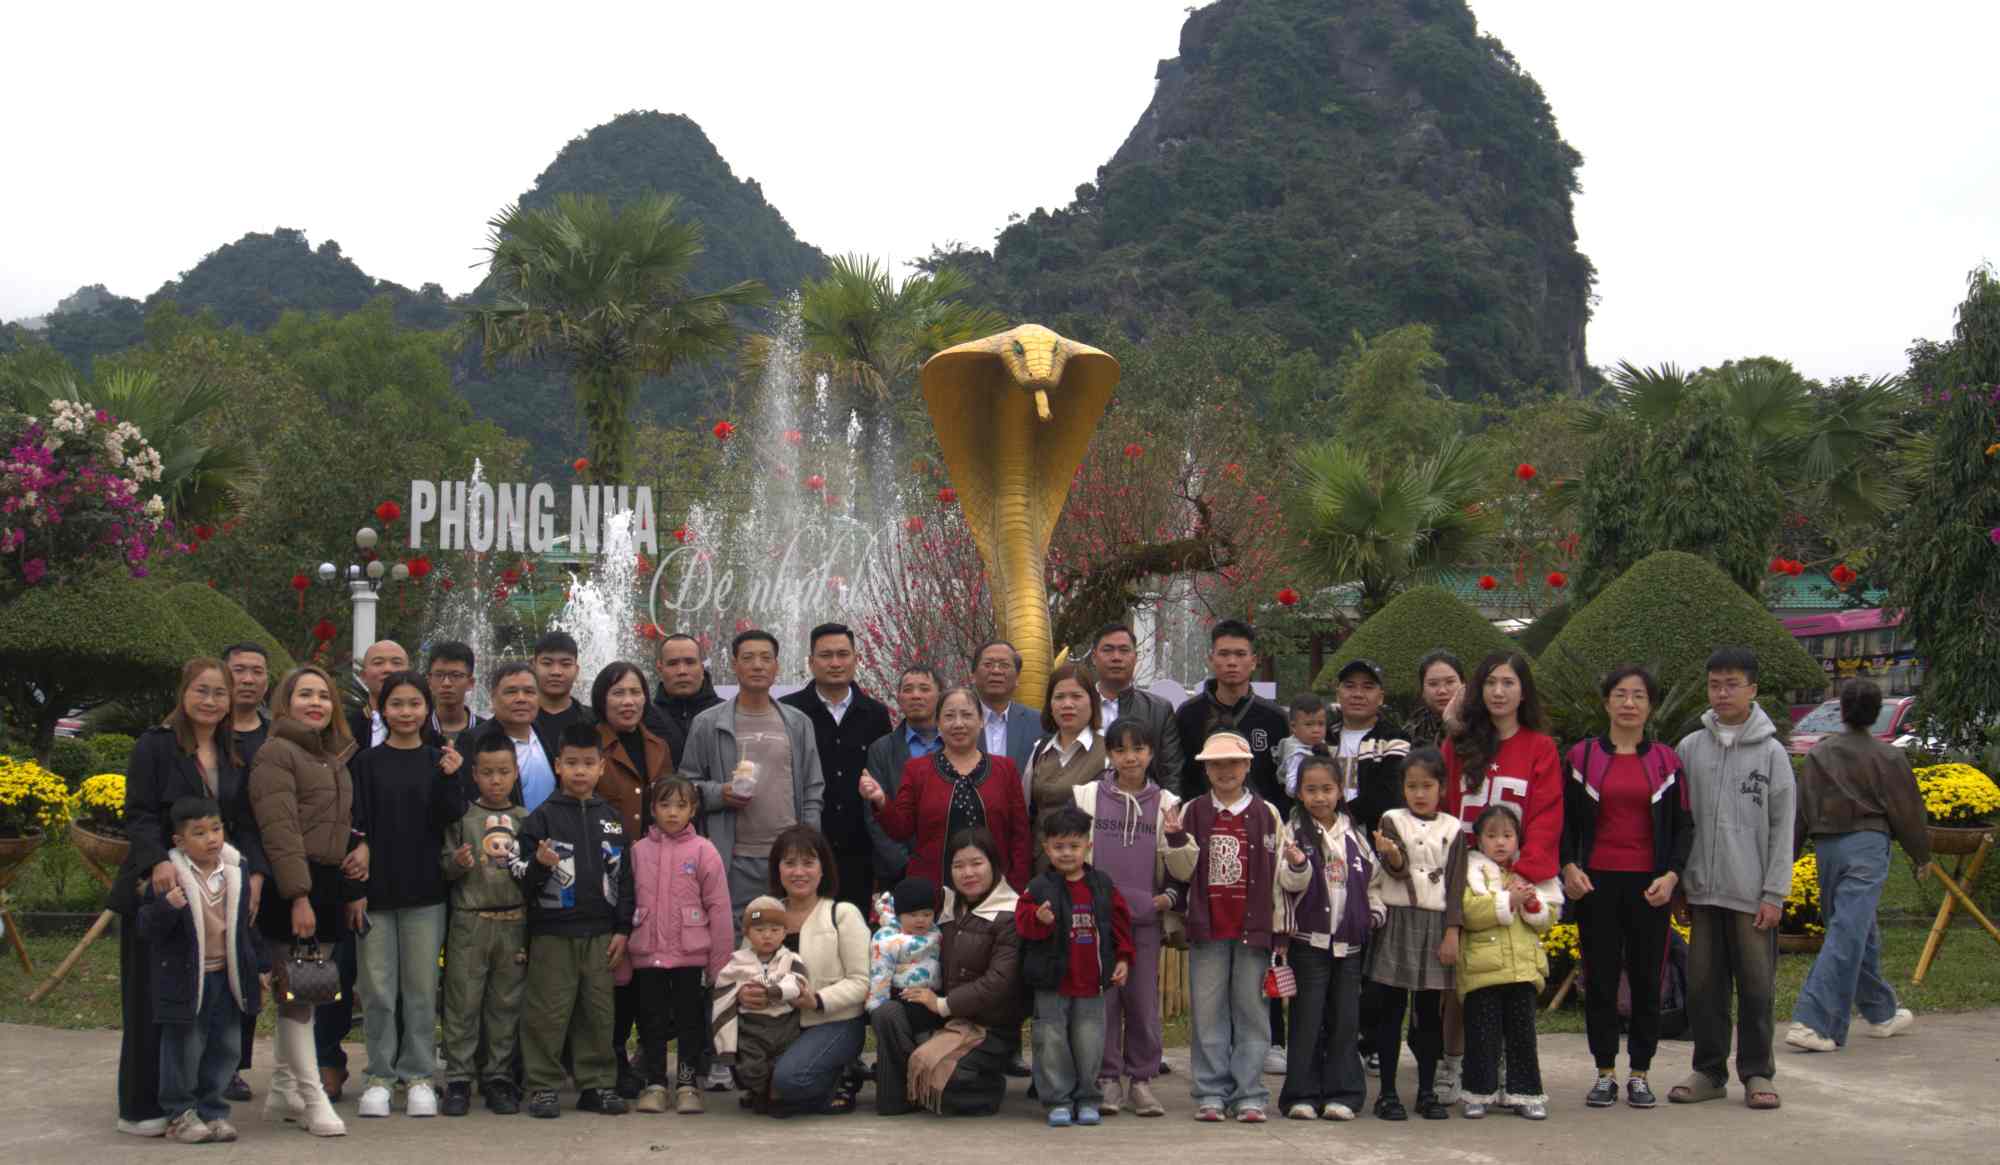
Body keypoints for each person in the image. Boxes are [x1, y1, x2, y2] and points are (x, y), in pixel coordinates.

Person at [1667, 647, 1795, 1111]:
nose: (1722, 693)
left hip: (1752, 894)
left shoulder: (1772, 754)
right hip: (1702, 892)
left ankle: (1758, 1072)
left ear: (1752, 689)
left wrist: (1774, 892)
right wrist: (1680, 882)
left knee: (1757, 987)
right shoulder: (1689, 749)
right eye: (1715, 684)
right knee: (1704, 986)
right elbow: (1680, 823)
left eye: (1732, 684)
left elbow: (1784, 830)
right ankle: (1708, 1071)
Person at [1560, 665, 1693, 1109]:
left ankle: (1640, 1072)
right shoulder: (1581, 758)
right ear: (1606, 702)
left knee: (1645, 979)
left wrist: (1672, 876)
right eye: (1620, 694)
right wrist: (1569, 866)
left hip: (1649, 886)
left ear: (1650, 705)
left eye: (1638, 695)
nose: (1629, 703)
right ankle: (1603, 1073)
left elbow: (1682, 827)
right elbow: (1564, 822)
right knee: (1598, 979)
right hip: (1596, 884)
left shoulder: (1666, 762)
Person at [1163, 731, 1310, 1123]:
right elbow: (1180, 871)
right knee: (1208, 1013)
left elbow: (1287, 878)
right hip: (1207, 929)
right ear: (1205, 769)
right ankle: (1211, 1092)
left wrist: (1298, 866)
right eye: (1215, 764)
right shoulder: (1192, 811)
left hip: (1255, 930)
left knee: (1252, 1013)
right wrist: (1175, 838)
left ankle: (1250, 1093)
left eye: (1232, 762)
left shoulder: (1268, 814)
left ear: (1247, 766)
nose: (1225, 770)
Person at [1786, 677, 1930, 1054]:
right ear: (1874, 712)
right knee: (1848, 931)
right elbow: (1908, 812)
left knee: (1854, 929)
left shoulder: (1819, 753)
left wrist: (1786, 854)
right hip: (1867, 845)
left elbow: (1801, 809)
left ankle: (1881, 1011)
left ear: (1843, 711)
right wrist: (1921, 855)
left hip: (1827, 847)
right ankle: (1811, 1020)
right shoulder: (1889, 757)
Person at [247, 664, 361, 1138]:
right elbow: (280, 831)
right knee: (301, 999)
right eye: (305, 695)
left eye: (324, 696)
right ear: (285, 703)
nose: (316, 703)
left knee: (302, 995)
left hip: (327, 881)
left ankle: (281, 1091)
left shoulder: (329, 756)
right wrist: (298, 896)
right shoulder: (277, 753)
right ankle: (313, 1100)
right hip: (296, 883)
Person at [349, 671, 461, 1119]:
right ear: (382, 709)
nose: (406, 712)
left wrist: (454, 777)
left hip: (425, 892)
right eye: (397, 704)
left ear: (427, 710)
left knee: (419, 989)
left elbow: (452, 816)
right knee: (377, 989)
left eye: (415, 704)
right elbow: (354, 827)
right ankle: (379, 1075)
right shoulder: (364, 763)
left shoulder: (440, 761)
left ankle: (417, 1075)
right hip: (375, 893)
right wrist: (354, 889)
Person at [1069, 717, 1190, 1118]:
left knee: (1141, 1001)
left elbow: (1182, 866)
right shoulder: (1087, 796)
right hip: (1097, 919)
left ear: (1151, 753)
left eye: (1138, 749)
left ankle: (1141, 1080)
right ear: (1109, 754)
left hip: (1143, 921)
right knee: (1104, 1001)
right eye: (1120, 749)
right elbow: (1070, 850)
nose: (1129, 757)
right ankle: (1108, 1079)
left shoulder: (1167, 802)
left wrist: (1164, 900)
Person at [517, 721, 636, 1119]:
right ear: (557, 766)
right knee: (547, 1012)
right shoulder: (541, 819)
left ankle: (597, 1083)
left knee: (598, 1012)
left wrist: (623, 929)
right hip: (553, 933)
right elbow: (520, 880)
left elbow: (627, 880)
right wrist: (538, 864)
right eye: (572, 763)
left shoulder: (613, 820)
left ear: (602, 767)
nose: (580, 771)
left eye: (588, 763)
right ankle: (543, 1085)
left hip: (601, 934)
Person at [871, 827, 1024, 1116]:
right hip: (944, 1021)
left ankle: (973, 1088)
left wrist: (943, 1004)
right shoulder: (947, 907)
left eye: (976, 863)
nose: (968, 873)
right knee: (886, 1014)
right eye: (958, 865)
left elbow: (999, 982)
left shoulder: (1009, 914)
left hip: (988, 1029)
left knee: (949, 1079)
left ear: (993, 864)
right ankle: (905, 1092)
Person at [137, 796, 263, 1144]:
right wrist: (167, 907)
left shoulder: (235, 871)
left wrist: (262, 964)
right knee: (185, 1047)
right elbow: (145, 927)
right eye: (200, 833)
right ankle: (180, 1113)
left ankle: (213, 1110)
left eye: (217, 829)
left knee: (226, 1046)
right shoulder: (170, 878)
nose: (212, 838)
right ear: (179, 842)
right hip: (186, 980)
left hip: (228, 975)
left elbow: (246, 928)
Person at [679, 628, 826, 918]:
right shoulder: (708, 723)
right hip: (733, 858)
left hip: (787, 858)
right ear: (734, 665)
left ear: (776, 666)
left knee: (790, 942)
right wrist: (719, 794)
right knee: (735, 946)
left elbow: (813, 788)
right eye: (748, 658)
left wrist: (808, 844)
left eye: (765, 658)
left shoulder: (797, 723)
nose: (757, 665)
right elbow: (685, 786)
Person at [1017, 805, 1135, 1127]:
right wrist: (1038, 920)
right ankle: (1057, 1099)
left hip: (1092, 983)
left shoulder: (1102, 886)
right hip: (1052, 984)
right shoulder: (1038, 888)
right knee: (1051, 1041)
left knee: (1089, 1043)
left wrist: (1123, 958)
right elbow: (1023, 925)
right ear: (1046, 848)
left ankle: (1087, 1098)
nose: (1066, 853)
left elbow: (1120, 926)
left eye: (1074, 845)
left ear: (1088, 845)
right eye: (1058, 846)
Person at [1277, 756, 1375, 1123]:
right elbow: (1287, 883)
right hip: (1309, 944)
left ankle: (1344, 1094)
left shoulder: (1355, 835)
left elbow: (1374, 883)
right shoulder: (1292, 832)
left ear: (1340, 791)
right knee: (1306, 1020)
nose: (1320, 797)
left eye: (1327, 789)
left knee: (1346, 1020)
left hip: (1349, 946)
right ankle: (1300, 1095)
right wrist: (1299, 865)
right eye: (1311, 789)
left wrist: (1372, 913)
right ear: (1299, 793)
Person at [627, 775, 732, 1114]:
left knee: (690, 1021)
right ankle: (655, 1082)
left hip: (691, 954)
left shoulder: (704, 850)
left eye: (681, 805)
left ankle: (687, 1083)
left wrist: (719, 962)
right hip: (647, 953)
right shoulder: (638, 851)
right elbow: (626, 904)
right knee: (651, 1021)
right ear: (653, 808)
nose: (672, 813)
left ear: (693, 809)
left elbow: (719, 907)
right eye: (665, 804)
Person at [1364, 749, 1460, 1121]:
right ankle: (1387, 1093)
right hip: (1398, 920)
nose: (1420, 793)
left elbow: (1454, 884)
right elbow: (1396, 868)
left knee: (1428, 1015)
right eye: (1412, 786)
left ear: (1442, 787)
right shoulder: (1391, 820)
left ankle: (1426, 1092)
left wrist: (1453, 932)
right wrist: (1392, 856)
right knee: (1391, 1010)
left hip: (1435, 925)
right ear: (1402, 789)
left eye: (1428, 786)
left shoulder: (1452, 828)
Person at [860, 687, 1032, 891]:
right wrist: (881, 800)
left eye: (967, 715)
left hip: (996, 892)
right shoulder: (918, 770)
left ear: (981, 721)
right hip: (934, 889)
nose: (958, 724)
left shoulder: (1005, 769)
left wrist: (1016, 888)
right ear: (938, 724)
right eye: (949, 716)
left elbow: (1020, 836)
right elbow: (901, 829)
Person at [593, 660, 673, 1096]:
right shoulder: (592, 746)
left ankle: (648, 1055)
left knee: (650, 967)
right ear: (602, 699)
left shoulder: (658, 746)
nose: (628, 701)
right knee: (615, 968)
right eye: (618, 693)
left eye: (635, 692)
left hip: (655, 870)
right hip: (607, 872)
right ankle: (612, 1054)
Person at [438, 735, 529, 1117]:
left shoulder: (527, 820)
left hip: (514, 921)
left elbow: (535, 876)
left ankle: (498, 1077)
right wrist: (457, 864)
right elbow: (442, 867)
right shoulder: (462, 819)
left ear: (515, 773)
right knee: (462, 1001)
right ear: (474, 774)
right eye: (488, 772)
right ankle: (458, 1078)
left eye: (503, 772)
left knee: (505, 1004)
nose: (496, 780)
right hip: (469, 921)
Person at [758, 825, 872, 1116]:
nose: (799, 872)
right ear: (777, 869)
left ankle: (843, 1076)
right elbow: (749, 968)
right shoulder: (766, 914)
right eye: (789, 863)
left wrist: (817, 1000)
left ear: (823, 870)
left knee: (789, 1081)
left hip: (835, 1021)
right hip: (780, 1025)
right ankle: (788, 1091)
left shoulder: (842, 914)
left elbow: (861, 982)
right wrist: (750, 993)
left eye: (808, 863)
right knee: (749, 1078)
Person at [781, 623, 895, 913]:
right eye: (826, 655)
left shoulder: (876, 715)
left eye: (843, 654)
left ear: (856, 659)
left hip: (860, 850)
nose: (835, 663)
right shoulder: (788, 712)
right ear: (810, 662)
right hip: (804, 849)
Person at [1457, 804, 1561, 1120]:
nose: (1500, 843)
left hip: (1523, 969)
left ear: (1518, 839)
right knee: (1482, 1036)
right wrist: (1506, 901)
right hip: (1483, 971)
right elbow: (1469, 913)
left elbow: (1548, 918)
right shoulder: (1470, 870)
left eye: (1507, 835)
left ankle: (1526, 1093)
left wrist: (1530, 901)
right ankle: (1478, 1093)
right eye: (1492, 836)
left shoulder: (1529, 872)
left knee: (1522, 1035)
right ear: (1478, 840)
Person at [221, 643, 272, 1107]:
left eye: (258, 671)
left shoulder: (274, 738)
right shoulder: (206, 733)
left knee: (251, 965)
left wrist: (257, 871)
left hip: (262, 868)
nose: (249, 679)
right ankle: (208, 1060)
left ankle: (234, 1064)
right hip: (208, 864)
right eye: (240, 670)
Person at [1174, 620, 1289, 812]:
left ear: (1253, 661)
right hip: (1200, 824)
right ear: (1211, 659)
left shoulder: (1274, 718)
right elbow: (1178, 774)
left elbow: (1283, 780)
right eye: (1224, 654)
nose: (1232, 662)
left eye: (1240, 654)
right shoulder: (1188, 714)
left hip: (1260, 826)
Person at [713, 896, 812, 1111]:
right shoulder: (736, 962)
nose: (767, 935)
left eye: (775, 930)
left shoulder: (791, 959)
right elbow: (722, 991)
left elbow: (798, 981)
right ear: (747, 933)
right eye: (759, 930)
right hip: (751, 1026)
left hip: (786, 1024)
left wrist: (775, 992)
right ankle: (758, 1090)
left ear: (785, 933)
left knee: (782, 1063)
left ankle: (776, 1097)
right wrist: (739, 992)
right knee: (750, 1067)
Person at [862, 665, 943, 887]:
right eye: (908, 689)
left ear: (940, 695)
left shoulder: (956, 744)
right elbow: (874, 816)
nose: (916, 695)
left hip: (955, 867)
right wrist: (905, 865)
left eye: (924, 689)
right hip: (901, 873)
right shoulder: (881, 749)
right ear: (899, 697)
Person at [1089, 623, 1185, 793]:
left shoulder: (1159, 710)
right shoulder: (1079, 707)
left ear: (1135, 657)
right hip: (1084, 808)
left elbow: (1171, 771)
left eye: (1124, 650)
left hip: (1143, 808)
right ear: (1094, 657)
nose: (1116, 657)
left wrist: (1169, 808)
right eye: (1108, 650)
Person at [1025, 662, 1108, 853]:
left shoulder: (1108, 751)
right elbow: (1026, 809)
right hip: (1042, 865)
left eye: (1077, 696)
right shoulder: (1039, 750)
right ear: (1050, 705)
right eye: (1059, 697)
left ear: (1092, 702)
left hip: (1089, 864)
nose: (1067, 704)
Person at [480, 662, 557, 812]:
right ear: (493, 697)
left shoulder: (548, 734)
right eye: (511, 692)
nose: (521, 699)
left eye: (529, 692)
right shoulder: (477, 741)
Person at [867, 876, 942, 1015]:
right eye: (913, 915)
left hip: (933, 994)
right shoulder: (888, 938)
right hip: (902, 994)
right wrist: (877, 1003)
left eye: (927, 914)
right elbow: (880, 970)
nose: (920, 920)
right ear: (899, 915)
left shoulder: (935, 932)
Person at [649, 632, 723, 761]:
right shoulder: (645, 719)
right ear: (660, 668)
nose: (682, 671)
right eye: (672, 664)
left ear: (701, 666)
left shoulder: (727, 714)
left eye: (690, 662)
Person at [972, 640, 1042, 771]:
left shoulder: (1038, 723)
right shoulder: (958, 721)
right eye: (988, 664)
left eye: (1004, 665)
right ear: (973, 676)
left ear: (1017, 678)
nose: (996, 671)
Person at [530, 631, 592, 759]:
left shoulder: (594, 722)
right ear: (533, 666)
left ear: (576, 670)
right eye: (547, 663)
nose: (556, 672)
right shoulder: (516, 721)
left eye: (565, 664)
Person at [347, 640, 411, 749]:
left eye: (396, 663)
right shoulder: (346, 729)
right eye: (378, 663)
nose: (387, 669)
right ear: (363, 676)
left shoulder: (426, 726)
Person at [426, 640, 484, 748]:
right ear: (429, 681)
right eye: (439, 675)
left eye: (456, 675)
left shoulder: (487, 732)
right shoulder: (417, 730)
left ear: (470, 683)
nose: (446, 683)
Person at [1406, 650, 1466, 750]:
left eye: (1450, 682)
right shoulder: (1411, 731)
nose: (1442, 691)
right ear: (1422, 691)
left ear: (1463, 685)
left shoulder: (1481, 724)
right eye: (1433, 684)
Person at [1277, 693, 1329, 800]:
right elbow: (1291, 788)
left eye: (1321, 724)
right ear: (1293, 727)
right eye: (1309, 724)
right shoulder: (1296, 754)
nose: (1316, 730)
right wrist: (1310, 794)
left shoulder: (1319, 743)